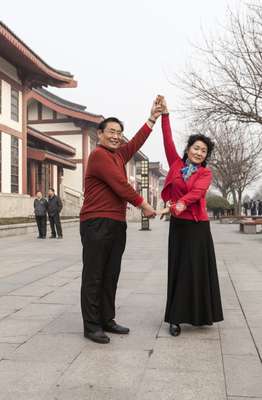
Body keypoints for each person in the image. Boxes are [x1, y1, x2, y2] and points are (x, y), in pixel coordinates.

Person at [80, 98, 162, 344]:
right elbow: (120, 184)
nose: (116, 136)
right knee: (94, 275)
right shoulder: (99, 155)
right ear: (100, 134)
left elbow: (136, 142)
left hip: (116, 223)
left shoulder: (119, 154)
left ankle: (107, 319)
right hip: (96, 223)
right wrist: (145, 205)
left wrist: (152, 118)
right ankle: (92, 325)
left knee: (111, 273)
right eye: (111, 132)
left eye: (119, 133)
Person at [158, 97, 224, 337]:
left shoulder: (206, 173)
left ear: (206, 156)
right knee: (178, 269)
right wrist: (165, 115)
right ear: (188, 150)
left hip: (197, 226)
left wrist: (179, 205)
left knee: (195, 269)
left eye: (203, 150)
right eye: (196, 148)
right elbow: (167, 140)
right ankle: (175, 318)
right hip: (178, 226)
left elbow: (196, 194)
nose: (199, 152)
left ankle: (200, 314)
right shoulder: (175, 164)